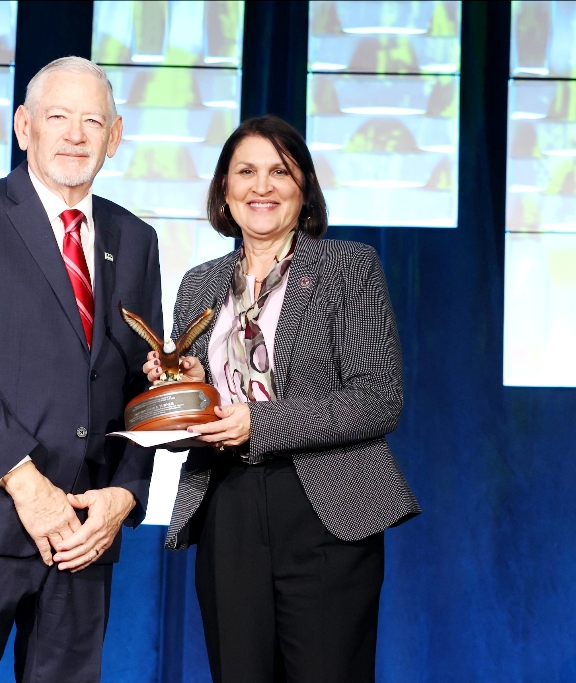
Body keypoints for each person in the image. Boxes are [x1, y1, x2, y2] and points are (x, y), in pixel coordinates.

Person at [0, 57, 162, 683]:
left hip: (84, 533)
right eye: (58, 117)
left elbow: (142, 385)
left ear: (115, 136)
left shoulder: (136, 239)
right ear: (24, 126)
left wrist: (125, 494)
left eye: (92, 121)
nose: (75, 135)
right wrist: (28, 485)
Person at [144, 115, 421, 682]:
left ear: (305, 187)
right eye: (246, 172)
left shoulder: (348, 268)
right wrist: (184, 387)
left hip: (326, 506)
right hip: (226, 502)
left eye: (280, 172)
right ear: (224, 189)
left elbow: (377, 398)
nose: (262, 187)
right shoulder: (199, 283)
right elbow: (201, 409)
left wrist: (260, 423)